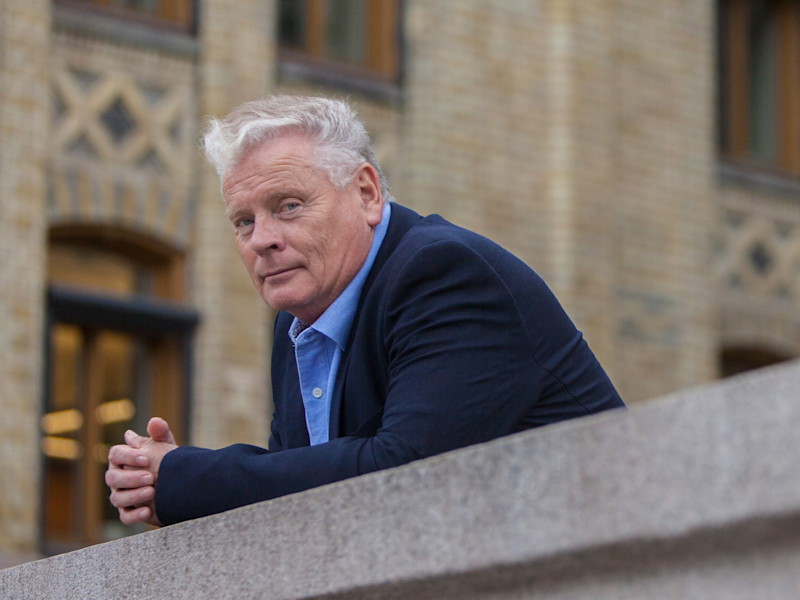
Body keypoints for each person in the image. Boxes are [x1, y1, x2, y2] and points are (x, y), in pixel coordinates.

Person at [106, 95, 624, 527]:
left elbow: (404, 474)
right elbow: (301, 487)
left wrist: (186, 478)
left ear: (367, 193)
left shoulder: (444, 273)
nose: (262, 239)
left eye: (289, 206)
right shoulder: (297, 322)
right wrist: (170, 486)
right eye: (244, 221)